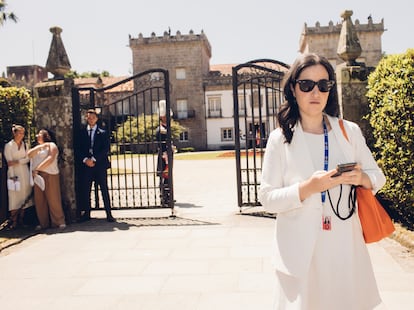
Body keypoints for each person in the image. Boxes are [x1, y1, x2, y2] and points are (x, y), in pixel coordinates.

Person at [258, 53, 386, 310]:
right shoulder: (280, 138)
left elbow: (378, 177)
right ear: (294, 89)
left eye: (323, 85)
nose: (315, 92)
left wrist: (361, 178)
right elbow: (267, 198)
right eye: (306, 85)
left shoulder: (348, 131)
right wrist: (307, 188)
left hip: (343, 244)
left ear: (330, 89)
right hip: (299, 247)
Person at [77, 109, 115, 222]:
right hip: (86, 166)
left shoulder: (102, 132)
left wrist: (94, 159)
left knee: (104, 189)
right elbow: (77, 148)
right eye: (89, 118)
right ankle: (87, 213)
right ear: (86, 118)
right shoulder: (81, 132)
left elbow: (105, 148)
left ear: (97, 119)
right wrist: (85, 160)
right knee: (86, 189)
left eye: (93, 117)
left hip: (100, 165)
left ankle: (108, 213)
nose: (91, 120)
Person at [27, 129, 66, 230]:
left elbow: (51, 158)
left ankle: (59, 221)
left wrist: (38, 168)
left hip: (50, 173)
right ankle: (43, 223)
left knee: (53, 198)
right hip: (37, 175)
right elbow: (29, 155)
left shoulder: (52, 145)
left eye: (40, 134)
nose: (38, 135)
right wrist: (40, 146)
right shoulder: (37, 147)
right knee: (40, 200)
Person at [3, 124, 32, 229]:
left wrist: (18, 161)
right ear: (14, 133)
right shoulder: (9, 146)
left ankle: (21, 220)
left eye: (23, 133)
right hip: (13, 173)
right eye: (19, 133)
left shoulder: (25, 145)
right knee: (14, 197)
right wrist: (20, 161)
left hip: (24, 172)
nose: (21, 135)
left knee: (24, 195)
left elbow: (28, 158)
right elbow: (10, 162)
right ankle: (13, 221)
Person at [155, 100, 172, 206]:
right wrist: (165, 153)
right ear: (162, 117)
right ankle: (164, 198)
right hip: (164, 156)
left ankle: (168, 196)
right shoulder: (161, 129)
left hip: (167, 155)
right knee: (164, 177)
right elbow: (161, 144)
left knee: (168, 177)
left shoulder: (166, 128)